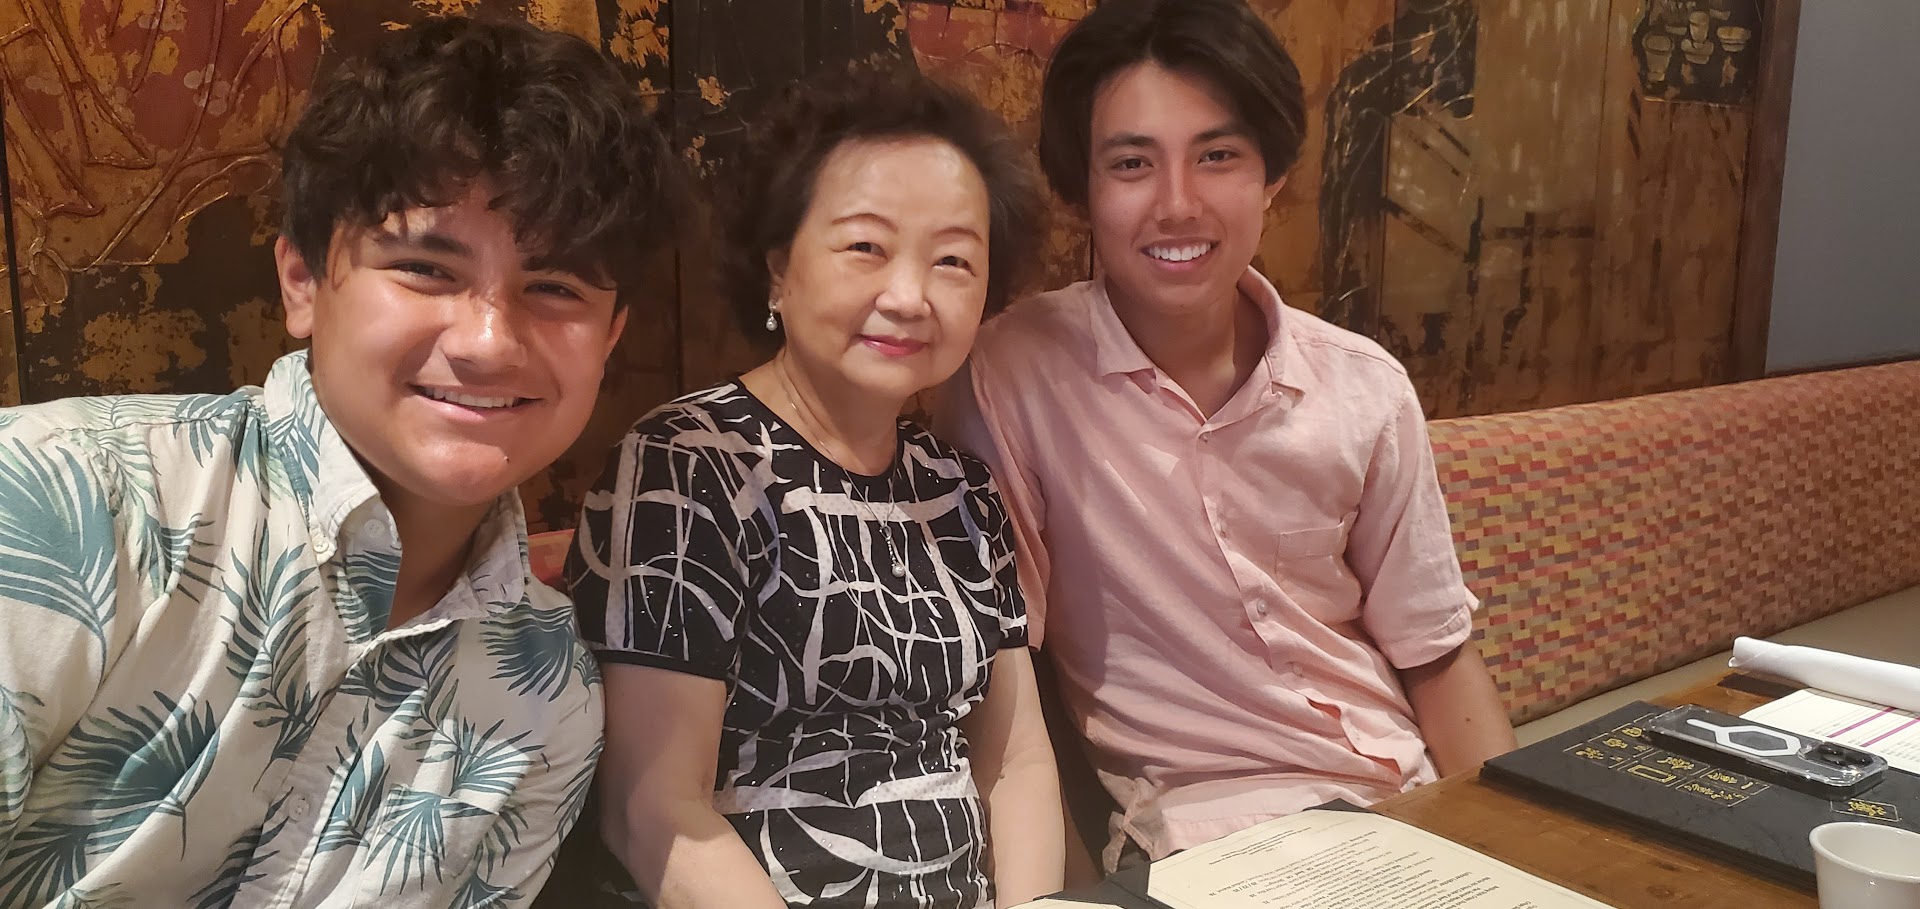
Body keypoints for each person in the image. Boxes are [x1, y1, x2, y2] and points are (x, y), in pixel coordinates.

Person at [0, 16, 684, 907]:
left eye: (554, 287)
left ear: (611, 337)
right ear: (302, 282)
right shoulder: (69, 502)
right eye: (426, 269)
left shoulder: (549, 693)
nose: (488, 342)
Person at [939, 0, 1518, 871]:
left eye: (1217, 156)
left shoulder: (1363, 387)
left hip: (1405, 801)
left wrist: (1520, 850)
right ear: (1083, 190)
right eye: (1132, 163)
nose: (1177, 204)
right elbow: (999, 676)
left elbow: (1435, 654)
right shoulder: (1011, 377)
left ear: (1272, 176)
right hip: (1211, 842)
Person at [566, 63, 1065, 908]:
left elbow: (1015, 762)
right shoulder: (690, 464)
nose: (908, 296)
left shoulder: (962, 488)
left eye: (953, 260)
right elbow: (650, 808)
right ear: (777, 269)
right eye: (866, 247)